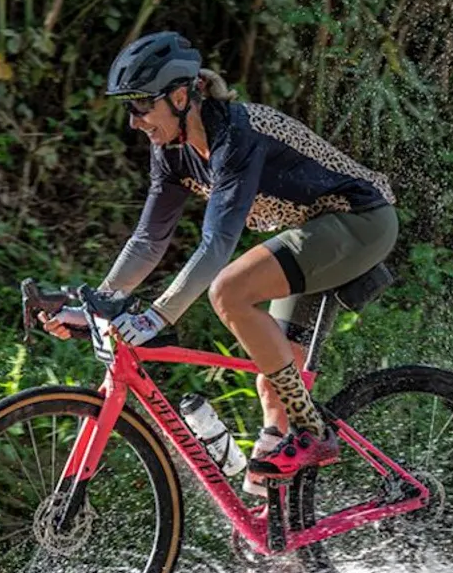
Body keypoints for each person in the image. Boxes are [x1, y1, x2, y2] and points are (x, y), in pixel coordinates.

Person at [43, 31, 397, 485]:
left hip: (361, 219)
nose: (133, 122)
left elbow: (216, 245)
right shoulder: (170, 152)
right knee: (273, 385)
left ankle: (316, 432)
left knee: (229, 290)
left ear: (178, 97)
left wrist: (156, 317)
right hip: (313, 232)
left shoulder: (235, 135)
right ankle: (280, 545)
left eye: (140, 106)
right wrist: (96, 304)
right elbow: (150, 241)